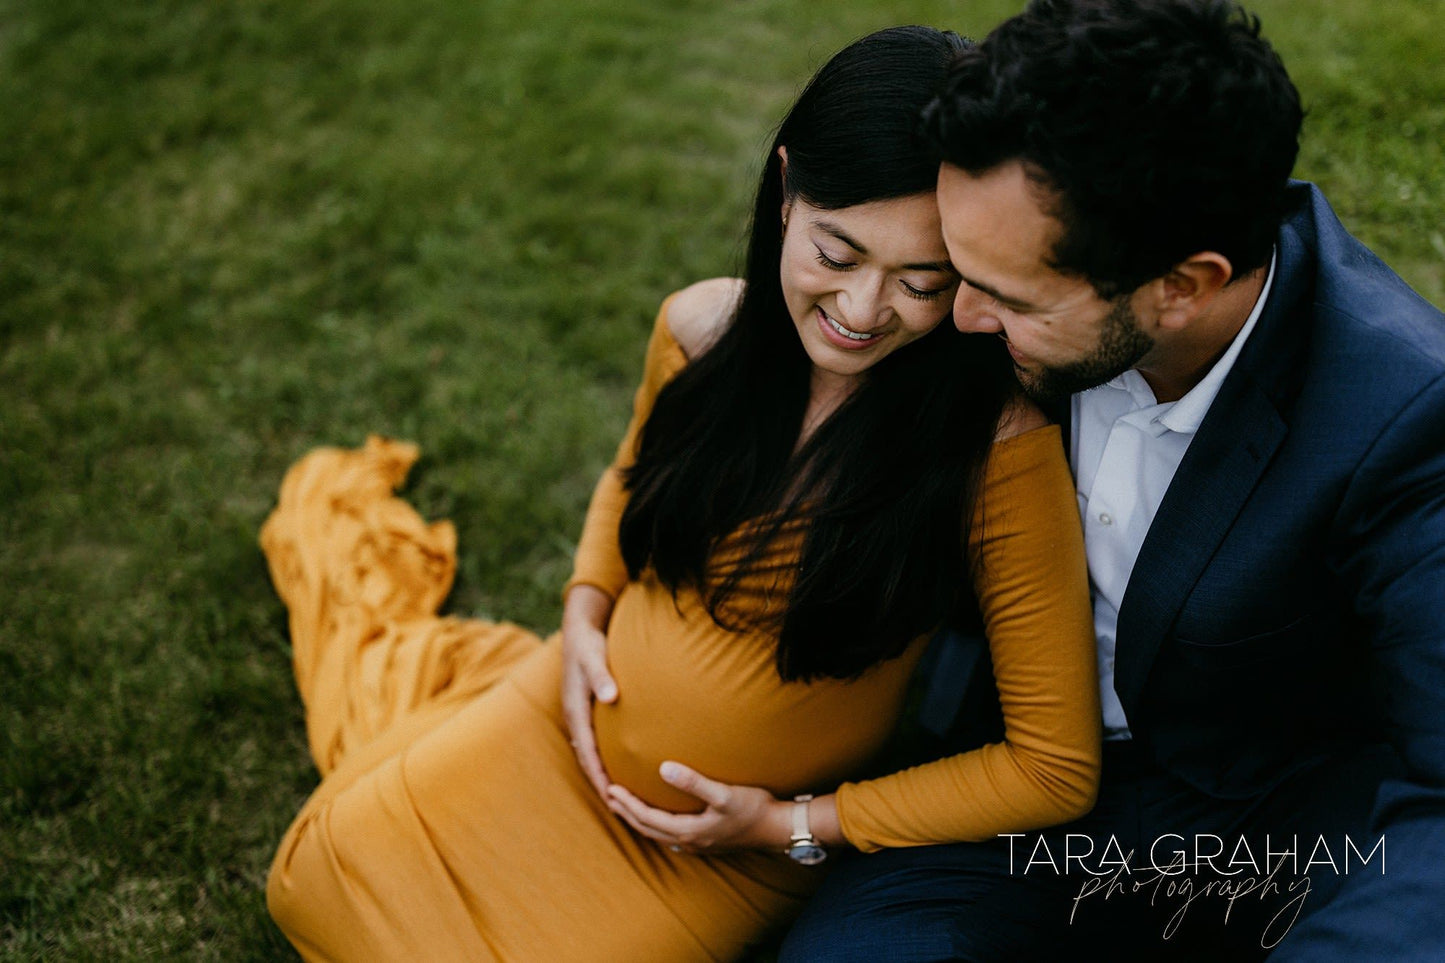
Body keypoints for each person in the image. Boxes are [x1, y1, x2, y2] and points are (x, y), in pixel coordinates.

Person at [259, 26, 1102, 961]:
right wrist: (583, 613)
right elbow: (630, 478)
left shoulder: (994, 450)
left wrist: (789, 823)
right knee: (324, 874)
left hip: (727, 851)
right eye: (836, 252)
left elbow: (1051, 767)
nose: (863, 312)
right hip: (556, 725)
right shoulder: (703, 329)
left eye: (920, 282)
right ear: (785, 191)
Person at [782, 1, 1445, 960]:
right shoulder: (997, 281)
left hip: (1273, 834)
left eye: (1005, 297)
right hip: (1002, 783)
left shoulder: (1404, 417)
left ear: (1180, 287)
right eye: (950, 270)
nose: (955, 316)